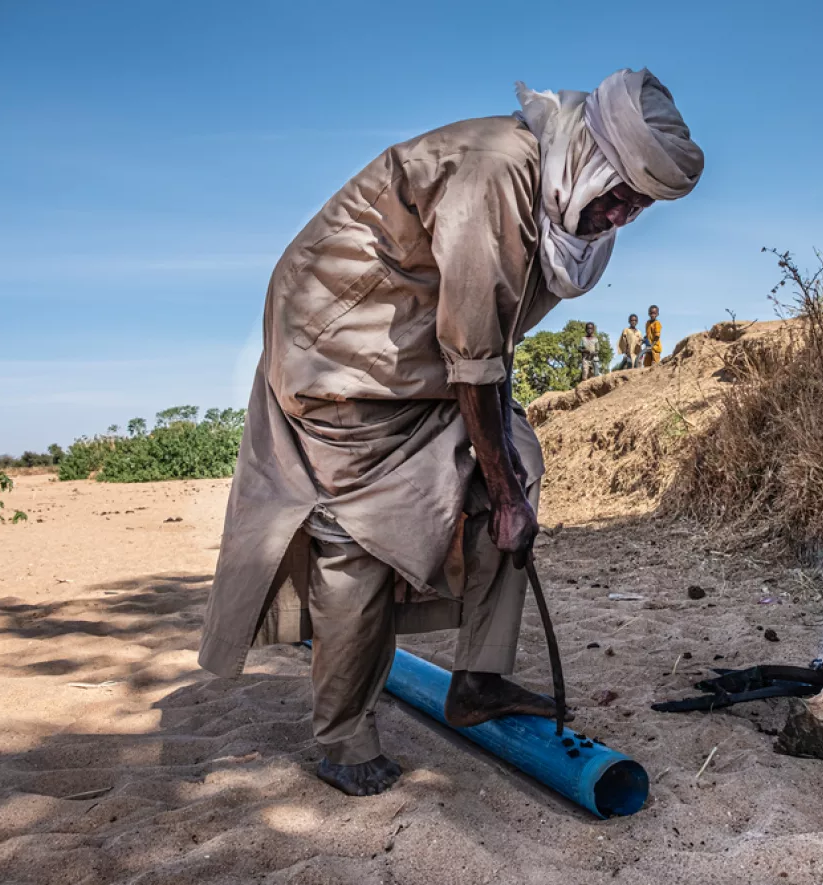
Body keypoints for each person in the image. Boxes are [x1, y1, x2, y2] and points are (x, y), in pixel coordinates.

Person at [197, 68, 703, 798]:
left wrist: (504, 485)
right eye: (621, 195)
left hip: (419, 357)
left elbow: (485, 344)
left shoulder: (562, 197)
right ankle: (344, 737)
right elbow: (473, 351)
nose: (621, 217)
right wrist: (498, 495)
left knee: (515, 465)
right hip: (342, 349)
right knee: (359, 528)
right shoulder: (497, 173)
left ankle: (479, 680)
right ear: (591, 156)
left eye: (639, 207)